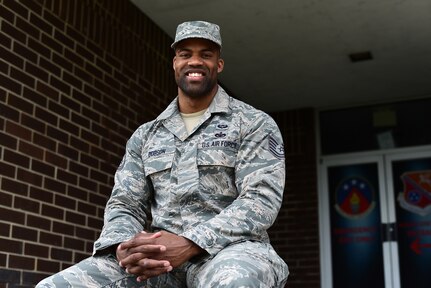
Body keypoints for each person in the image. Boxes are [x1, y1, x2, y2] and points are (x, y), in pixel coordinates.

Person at [36, 20, 289, 288]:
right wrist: (123, 246)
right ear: (175, 63)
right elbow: (126, 203)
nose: (195, 61)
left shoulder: (253, 123)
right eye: (185, 54)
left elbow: (260, 200)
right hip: (159, 260)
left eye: (206, 54)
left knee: (235, 282)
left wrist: (191, 242)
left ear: (219, 65)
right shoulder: (146, 135)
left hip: (229, 251)